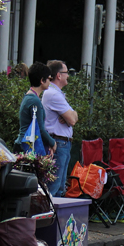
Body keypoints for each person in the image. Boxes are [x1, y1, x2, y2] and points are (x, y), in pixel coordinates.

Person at [43, 60, 78, 196]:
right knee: (55, 186)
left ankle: (56, 216)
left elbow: (74, 116)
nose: (68, 76)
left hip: (62, 143)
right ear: (58, 75)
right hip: (58, 143)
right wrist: (71, 116)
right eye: (66, 73)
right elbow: (72, 120)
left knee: (60, 186)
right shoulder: (54, 95)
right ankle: (50, 214)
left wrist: (72, 115)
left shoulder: (57, 94)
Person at [16, 62, 55, 156]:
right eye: (49, 78)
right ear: (42, 80)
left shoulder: (30, 97)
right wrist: (53, 143)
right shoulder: (34, 101)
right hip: (27, 146)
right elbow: (40, 128)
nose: (50, 82)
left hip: (25, 144)